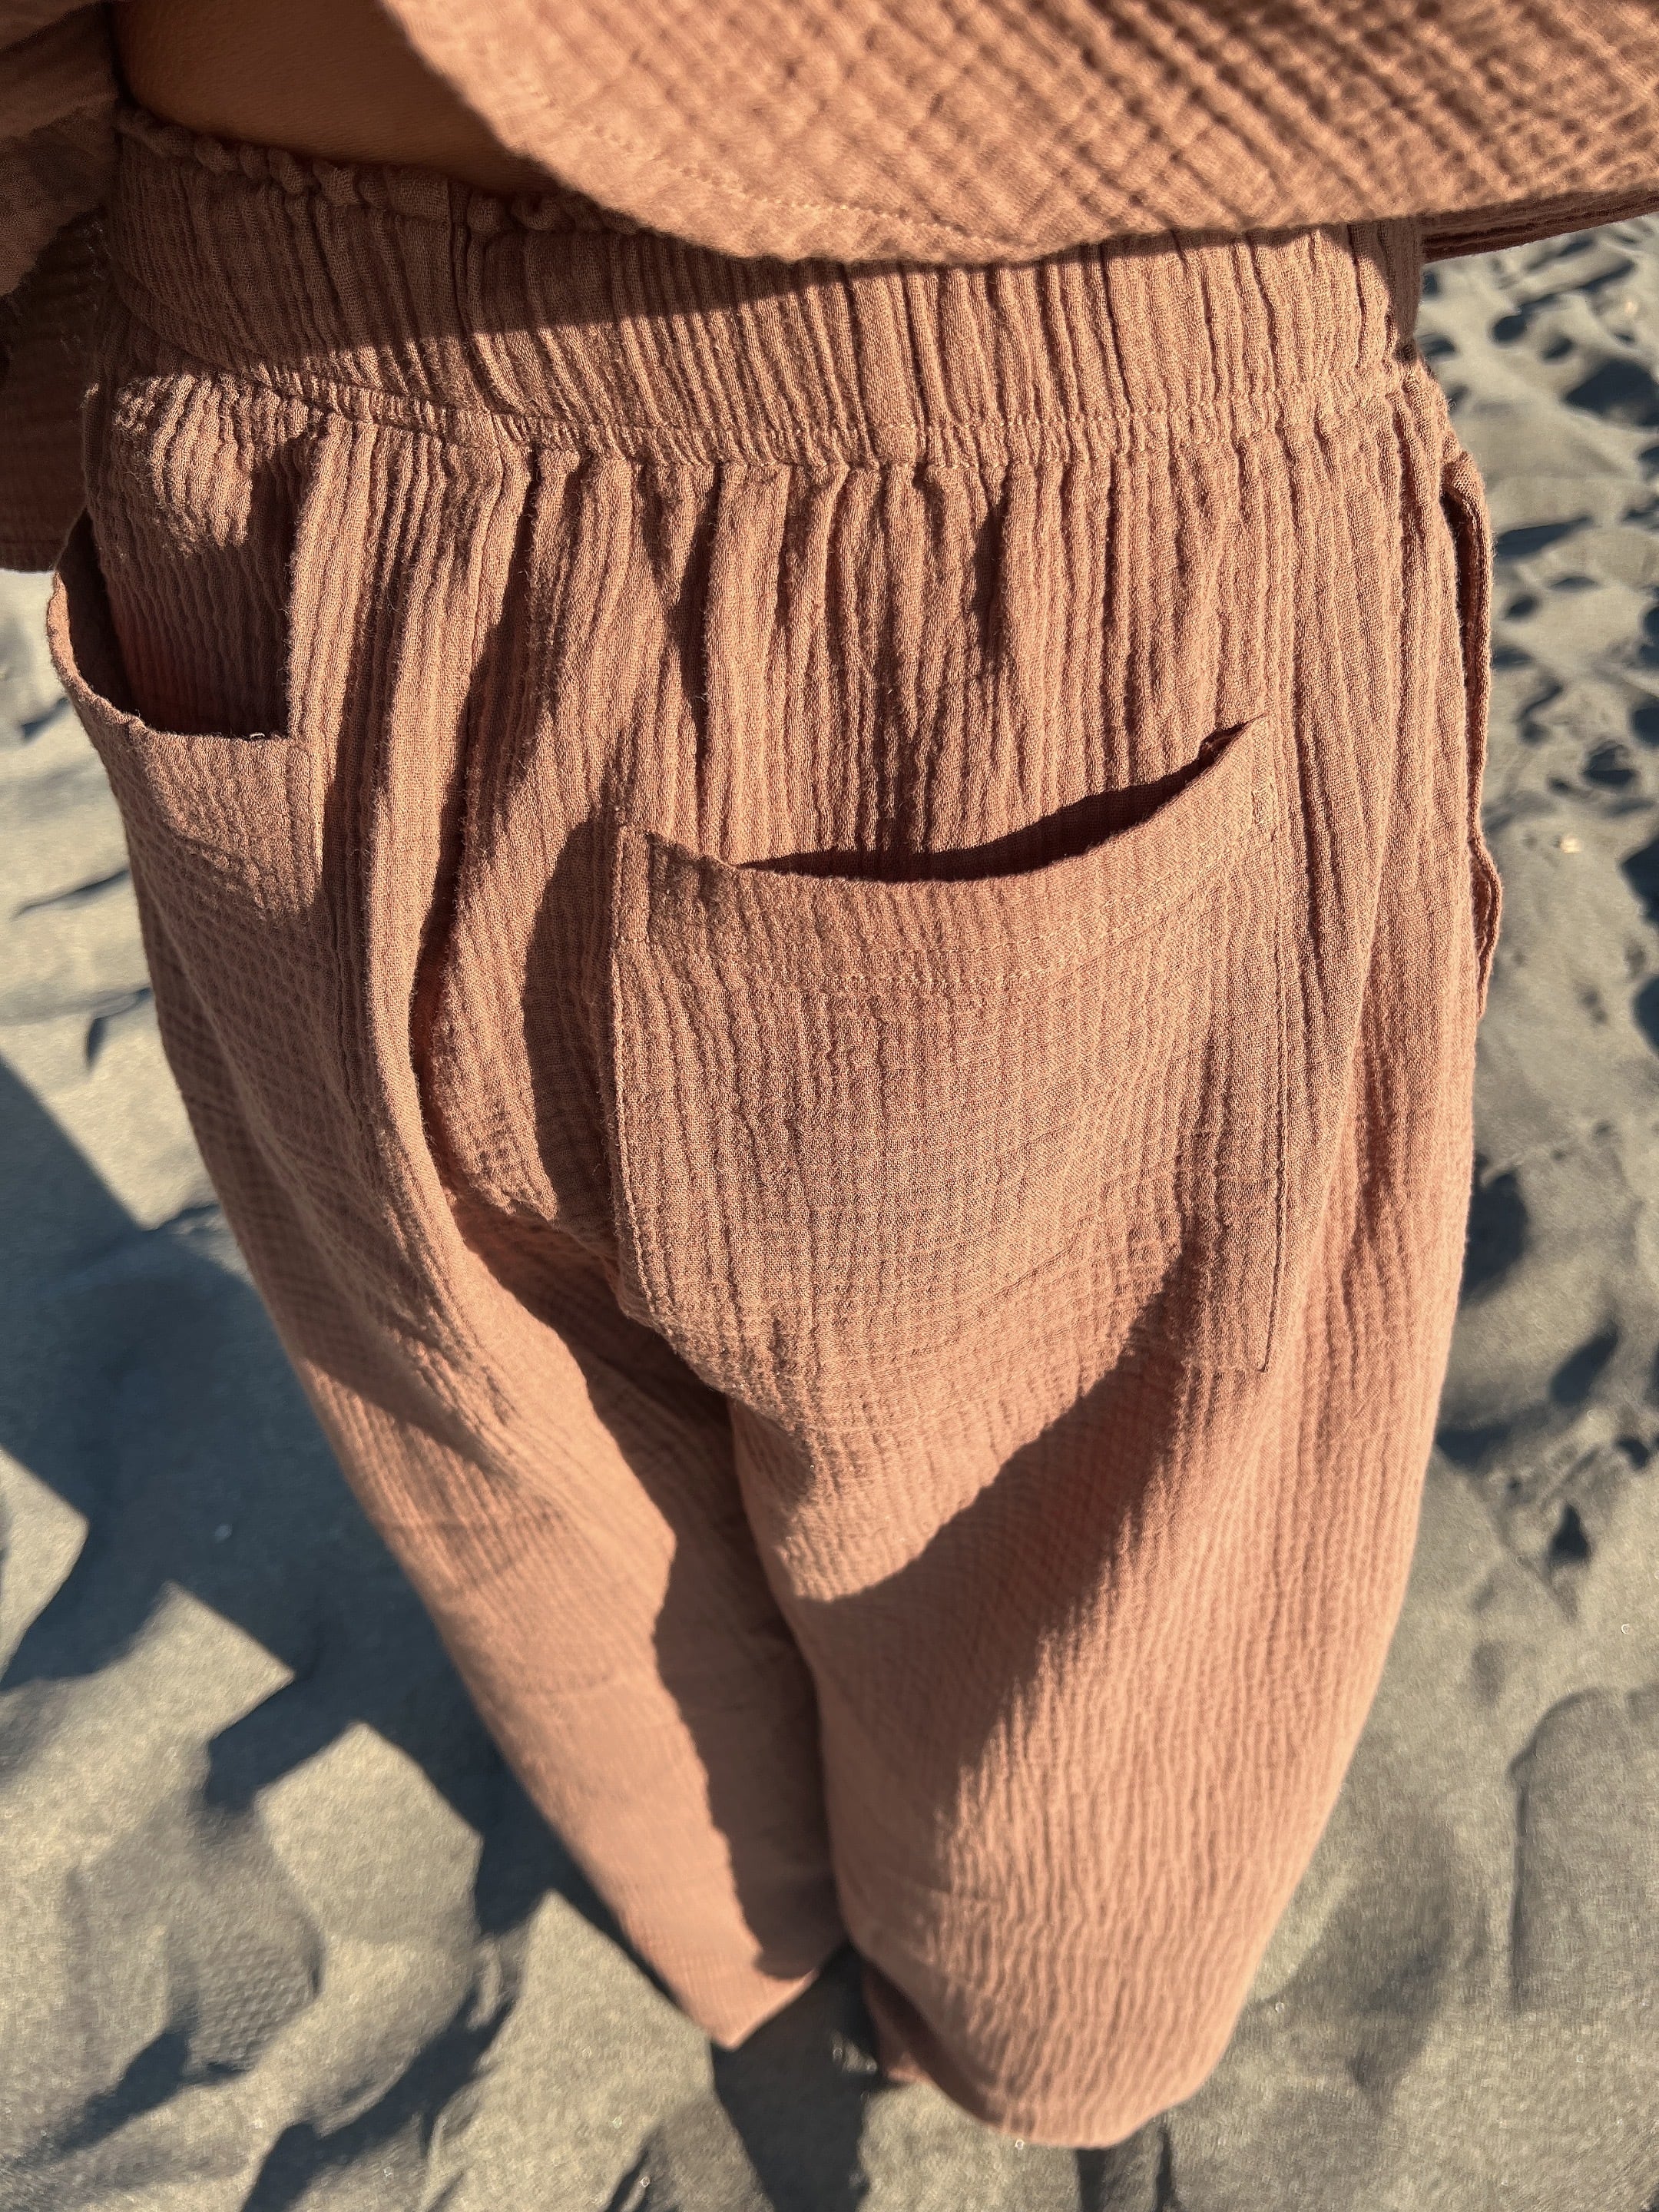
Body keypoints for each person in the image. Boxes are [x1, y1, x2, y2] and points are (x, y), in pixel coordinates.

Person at [4, 0, 1658, 2150]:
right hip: (1024, 426)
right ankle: (1032, 2054)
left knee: (495, 1437)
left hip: (273, 463)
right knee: (1099, 1566)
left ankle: (745, 1949)